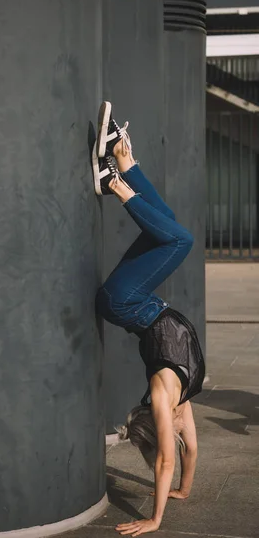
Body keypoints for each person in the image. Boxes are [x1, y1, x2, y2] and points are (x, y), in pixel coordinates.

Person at [92, 102, 206, 537]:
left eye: (170, 427)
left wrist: (155, 519)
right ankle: (124, 162)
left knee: (180, 239)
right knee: (170, 226)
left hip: (125, 303)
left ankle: (116, 185)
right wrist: (184, 491)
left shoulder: (164, 396)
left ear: (157, 420)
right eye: (177, 428)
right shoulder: (184, 398)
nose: (179, 427)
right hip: (138, 300)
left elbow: (166, 458)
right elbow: (188, 453)